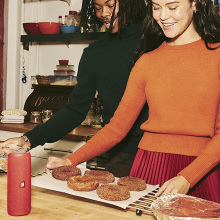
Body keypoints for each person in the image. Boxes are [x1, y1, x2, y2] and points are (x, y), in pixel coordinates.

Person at [45, 0, 220, 203]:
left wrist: (188, 177)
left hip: (201, 168)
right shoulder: (146, 61)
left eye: (172, 7)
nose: (163, 16)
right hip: (150, 167)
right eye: (156, 7)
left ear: (196, 4)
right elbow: (117, 128)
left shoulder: (216, 56)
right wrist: (70, 160)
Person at [0, 0, 149, 177]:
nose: (104, 14)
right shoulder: (95, 53)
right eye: (98, 8)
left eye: (110, 5)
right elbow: (75, 111)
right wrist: (28, 140)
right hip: (121, 153)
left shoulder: (156, 41)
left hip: (161, 150)